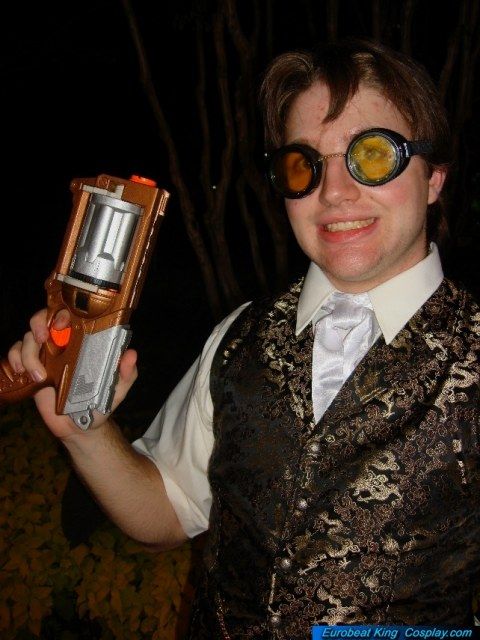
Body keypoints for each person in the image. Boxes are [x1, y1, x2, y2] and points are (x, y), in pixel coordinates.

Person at [7, 37, 480, 638]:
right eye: (305, 164)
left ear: (434, 177)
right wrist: (85, 433)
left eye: (373, 155)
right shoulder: (239, 340)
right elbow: (170, 510)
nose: (334, 192)